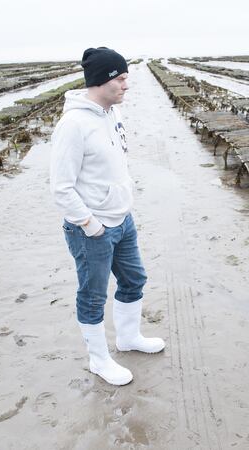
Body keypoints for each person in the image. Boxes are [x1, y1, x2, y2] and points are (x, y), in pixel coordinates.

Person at [49, 47, 165, 386]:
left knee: (134, 280)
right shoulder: (73, 125)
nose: (127, 85)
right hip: (92, 229)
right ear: (101, 80)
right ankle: (99, 360)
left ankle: (128, 338)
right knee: (93, 294)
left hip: (122, 219)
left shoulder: (111, 113)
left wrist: (122, 203)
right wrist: (90, 223)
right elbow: (61, 187)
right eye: (121, 78)